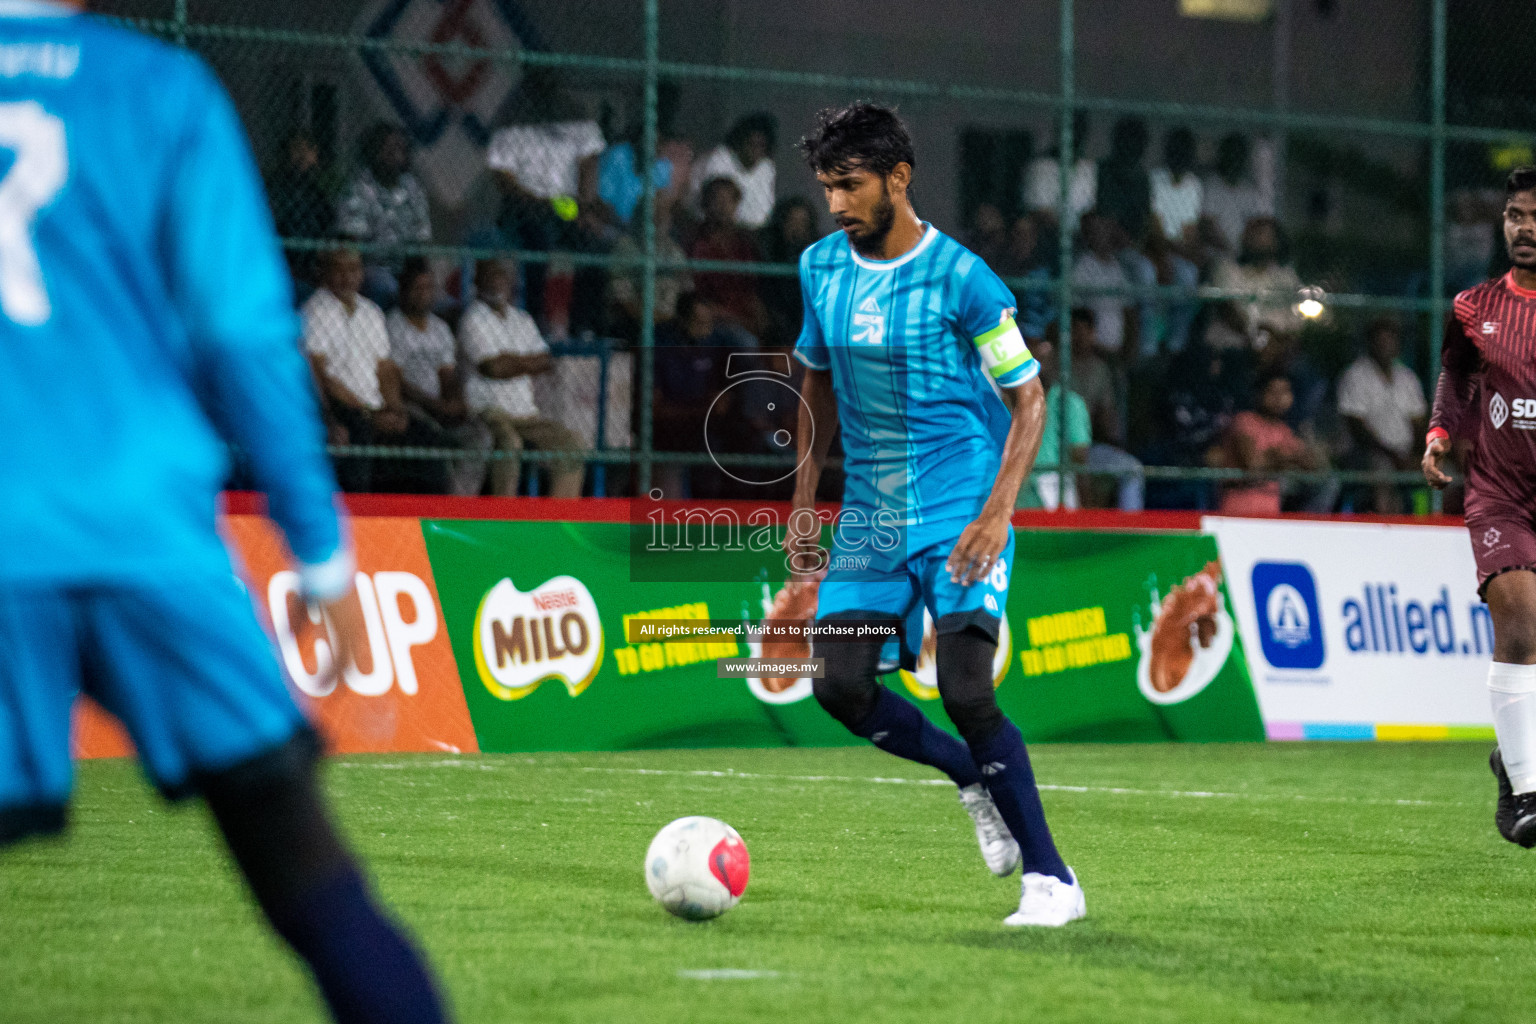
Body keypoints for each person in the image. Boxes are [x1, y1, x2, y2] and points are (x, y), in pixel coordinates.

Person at [0, 5, 448, 1023]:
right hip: (147, 537)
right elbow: (245, 338)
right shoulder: (159, 91)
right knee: (306, 876)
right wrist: (323, 559)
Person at [788, 102, 1084, 927]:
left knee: (964, 687)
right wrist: (806, 504)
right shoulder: (819, 268)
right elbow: (813, 379)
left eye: (851, 186)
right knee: (839, 689)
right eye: (827, 188)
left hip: (960, 506)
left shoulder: (963, 277)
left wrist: (996, 515)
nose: (838, 205)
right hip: (872, 518)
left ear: (900, 178)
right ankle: (968, 776)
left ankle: (1052, 881)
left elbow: (1029, 402)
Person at [1423, 165, 1536, 849]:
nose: (1525, 229)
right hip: (1499, 493)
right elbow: (1457, 374)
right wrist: (1439, 434)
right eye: (1516, 216)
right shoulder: (1475, 306)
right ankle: (1526, 792)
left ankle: (1510, 755)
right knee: (1519, 621)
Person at [303, 247, 445, 494]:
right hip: (340, 406)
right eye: (339, 269)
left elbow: (385, 368)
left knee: (427, 436)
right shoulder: (315, 310)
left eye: (353, 269)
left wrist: (394, 408)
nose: (347, 277)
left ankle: (422, 518)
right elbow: (319, 373)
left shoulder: (371, 312)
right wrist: (368, 413)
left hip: (375, 406)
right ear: (324, 272)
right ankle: (360, 516)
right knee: (358, 431)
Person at [459, 260, 585, 498]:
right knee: (510, 442)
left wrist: (511, 361)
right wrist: (527, 362)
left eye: (502, 275)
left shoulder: (522, 319)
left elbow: (546, 361)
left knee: (571, 444)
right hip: (488, 411)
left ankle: (558, 522)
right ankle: (505, 519)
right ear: (477, 282)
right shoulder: (473, 318)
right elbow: (493, 368)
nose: (498, 281)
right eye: (491, 275)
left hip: (527, 414)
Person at [387, 260, 489, 496]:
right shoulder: (393, 325)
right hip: (412, 405)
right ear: (404, 291)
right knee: (432, 437)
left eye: (429, 287)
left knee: (480, 435)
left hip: (439, 405)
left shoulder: (440, 328)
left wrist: (455, 401)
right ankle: (444, 507)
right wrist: (434, 406)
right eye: (418, 288)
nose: (424, 294)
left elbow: (447, 374)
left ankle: (461, 506)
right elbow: (397, 381)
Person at [336, 122, 432, 306]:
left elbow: (420, 242)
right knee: (384, 285)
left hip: (405, 269)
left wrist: (420, 277)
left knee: (433, 296)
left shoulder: (413, 188)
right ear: (373, 151)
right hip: (370, 268)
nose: (394, 154)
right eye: (387, 148)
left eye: (399, 148)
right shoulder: (358, 188)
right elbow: (351, 242)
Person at [1338, 316, 1427, 514]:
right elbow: (1357, 429)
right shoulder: (1356, 375)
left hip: (1405, 451)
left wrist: (1417, 453)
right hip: (1369, 452)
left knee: (1443, 472)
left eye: (1391, 339)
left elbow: (1419, 422)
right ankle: (1386, 527)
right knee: (1382, 471)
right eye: (1381, 338)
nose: (1385, 344)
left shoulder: (1407, 377)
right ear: (1370, 342)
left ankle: (1426, 523)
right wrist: (1393, 456)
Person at [1216, 372, 1324, 515]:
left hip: (1271, 515)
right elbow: (1253, 466)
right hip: (1238, 513)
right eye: (1272, 392)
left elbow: (1311, 465)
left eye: (1284, 392)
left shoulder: (1284, 430)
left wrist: (1277, 457)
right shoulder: (1245, 421)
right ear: (1259, 394)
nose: (1279, 398)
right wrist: (1284, 460)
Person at [1208, 216, 1303, 349]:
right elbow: (1228, 311)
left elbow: (1294, 321)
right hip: (1235, 346)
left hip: (1277, 350)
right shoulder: (1227, 269)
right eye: (1253, 234)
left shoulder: (1287, 277)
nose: (1257, 240)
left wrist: (1277, 343)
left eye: (1263, 234)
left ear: (1276, 241)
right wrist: (1257, 338)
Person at [688, 175, 766, 335]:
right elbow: (698, 292)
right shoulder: (697, 242)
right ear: (706, 205)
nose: (723, 206)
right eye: (716, 200)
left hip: (744, 314)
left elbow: (750, 287)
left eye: (728, 200)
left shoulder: (743, 242)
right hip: (712, 316)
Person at [689, 112, 777, 229]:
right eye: (751, 144)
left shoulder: (766, 168)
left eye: (761, 146)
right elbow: (709, 208)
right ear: (739, 141)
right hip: (706, 228)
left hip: (746, 234)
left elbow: (762, 215)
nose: (755, 150)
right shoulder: (718, 159)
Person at [759, 195, 821, 348]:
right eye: (792, 221)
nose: (797, 228)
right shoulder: (770, 250)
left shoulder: (816, 253)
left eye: (802, 223)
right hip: (777, 311)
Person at [1072, 211, 1134, 360]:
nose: (1104, 235)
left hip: (1118, 350)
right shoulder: (1083, 266)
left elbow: (1129, 310)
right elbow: (1079, 312)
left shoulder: (1117, 267)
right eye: (1098, 231)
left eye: (1107, 230)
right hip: (1094, 352)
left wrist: (1129, 348)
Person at [1201, 133, 1274, 256]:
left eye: (1238, 155)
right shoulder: (1211, 187)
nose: (1234, 160)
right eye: (1230, 154)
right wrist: (1231, 250)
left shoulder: (1249, 191)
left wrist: (1248, 250)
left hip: (1246, 255)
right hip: (1217, 255)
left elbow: (1257, 225)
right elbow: (1207, 227)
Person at [1022, 111, 1095, 233]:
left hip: (1083, 237)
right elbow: (1038, 211)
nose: (1075, 136)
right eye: (1070, 130)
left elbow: (1090, 210)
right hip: (1047, 234)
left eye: (1079, 131)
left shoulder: (1089, 167)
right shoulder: (1040, 166)